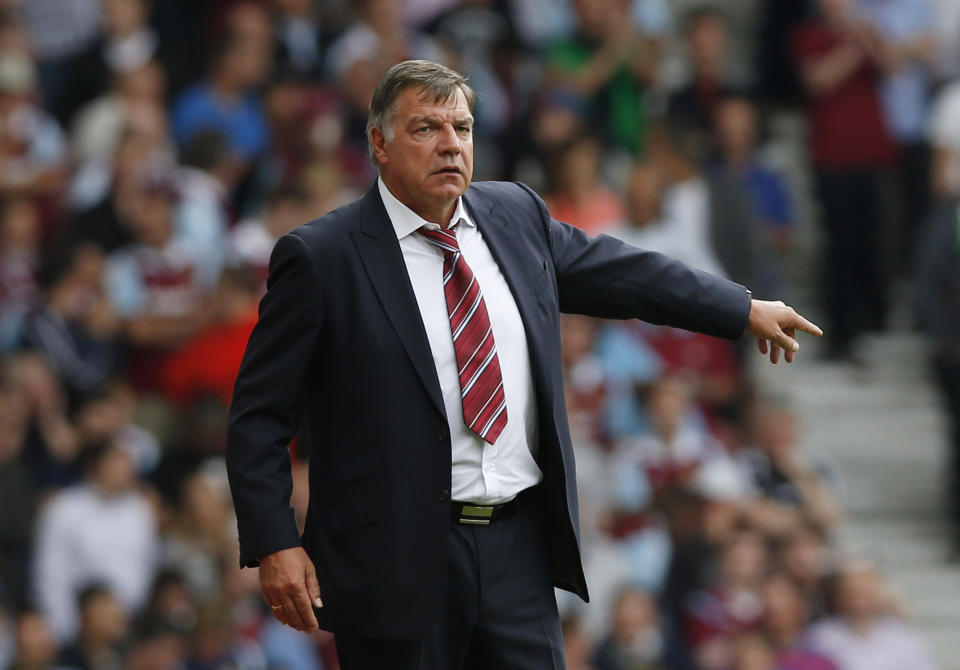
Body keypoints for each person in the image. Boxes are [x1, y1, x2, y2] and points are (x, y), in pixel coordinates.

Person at [225, 60, 821, 670]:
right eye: (427, 128)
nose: (451, 144)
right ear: (380, 143)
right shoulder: (322, 258)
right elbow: (258, 417)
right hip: (393, 555)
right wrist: (276, 541)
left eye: (462, 127)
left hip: (518, 546)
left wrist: (740, 307)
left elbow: (626, 274)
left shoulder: (514, 215)